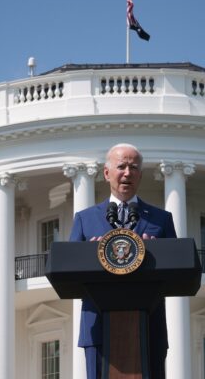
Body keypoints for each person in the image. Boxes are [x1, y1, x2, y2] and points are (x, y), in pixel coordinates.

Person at [69, 143, 177, 379]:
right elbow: (69, 271)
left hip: (149, 329)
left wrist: (155, 253)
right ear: (107, 173)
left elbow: (176, 272)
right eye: (121, 166)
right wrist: (88, 256)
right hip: (98, 329)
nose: (127, 173)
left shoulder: (162, 219)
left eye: (134, 167)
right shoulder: (85, 220)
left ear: (140, 174)